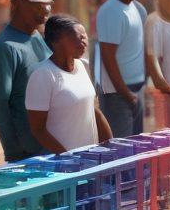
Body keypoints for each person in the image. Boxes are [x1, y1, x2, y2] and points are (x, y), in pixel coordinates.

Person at [26, 14, 111, 154]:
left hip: (90, 158)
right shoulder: (43, 75)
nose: (84, 42)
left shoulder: (83, 66)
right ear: (57, 41)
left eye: (85, 37)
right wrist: (68, 158)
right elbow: (38, 130)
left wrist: (110, 146)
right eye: (78, 37)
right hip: (63, 165)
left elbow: (94, 111)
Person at [0, 0, 52, 162]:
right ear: (17, 4)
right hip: (27, 148)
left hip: (49, 140)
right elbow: (0, 103)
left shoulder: (37, 37)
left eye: (47, 5)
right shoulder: (4, 47)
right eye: (38, 5)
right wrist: (12, 149)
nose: (46, 10)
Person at [95, 0, 147, 139]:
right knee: (122, 149)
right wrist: (126, 93)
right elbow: (108, 57)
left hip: (136, 89)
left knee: (138, 147)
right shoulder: (111, 12)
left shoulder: (138, 8)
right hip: (118, 94)